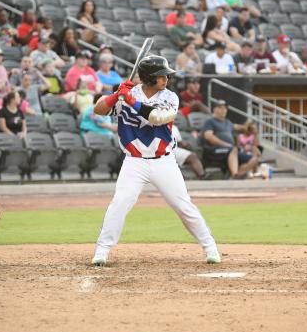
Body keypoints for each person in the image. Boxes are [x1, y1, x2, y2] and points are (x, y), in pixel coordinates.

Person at [90, 55, 221, 266]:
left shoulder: (170, 97)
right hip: (134, 161)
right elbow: (98, 110)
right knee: (120, 202)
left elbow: (157, 118)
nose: (166, 79)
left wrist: (130, 100)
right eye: (162, 76)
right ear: (150, 78)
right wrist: (116, 96)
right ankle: (102, 251)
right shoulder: (126, 93)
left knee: (182, 205)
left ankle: (210, 247)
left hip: (164, 161)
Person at [202, 100, 259, 179]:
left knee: (254, 158)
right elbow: (208, 136)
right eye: (220, 108)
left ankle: (238, 174)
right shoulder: (210, 122)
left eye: (225, 108)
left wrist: (250, 127)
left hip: (230, 151)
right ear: (214, 109)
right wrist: (226, 145)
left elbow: (241, 128)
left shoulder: (228, 122)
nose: (224, 110)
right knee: (234, 149)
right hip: (214, 150)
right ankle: (235, 174)